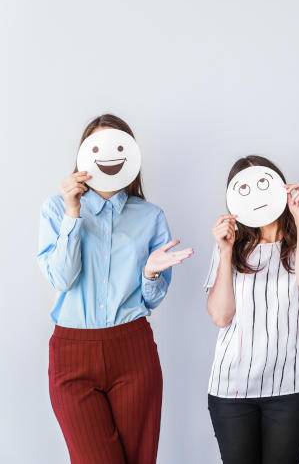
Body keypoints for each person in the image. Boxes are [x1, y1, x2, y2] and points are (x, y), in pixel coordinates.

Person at [37, 114, 193, 464]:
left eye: (118, 146)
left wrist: (150, 274)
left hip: (132, 349)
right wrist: (73, 213)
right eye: (97, 147)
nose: (107, 154)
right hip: (72, 353)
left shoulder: (150, 216)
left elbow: (153, 298)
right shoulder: (56, 209)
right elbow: (62, 279)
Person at [204, 156, 299, 464]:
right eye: (245, 189)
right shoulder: (228, 248)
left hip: (291, 385)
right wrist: (226, 252)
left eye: (262, 185)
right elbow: (220, 315)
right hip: (232, 387)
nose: (256, 195)